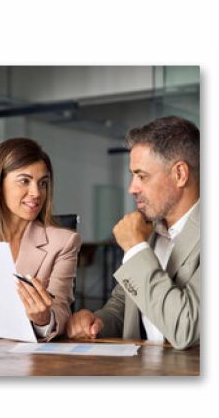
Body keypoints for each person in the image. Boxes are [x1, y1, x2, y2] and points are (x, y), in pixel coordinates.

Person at [66, 116, 200, 350]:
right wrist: (98, 322)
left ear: (180, 174)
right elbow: (123, 305)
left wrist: (136, 248)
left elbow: (185, 327)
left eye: (142, 176)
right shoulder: (150, 230)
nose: (132, 188)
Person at [0, 137, 81, 341]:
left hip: (25, 355)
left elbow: (61, 311)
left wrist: (42, 319)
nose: (36, 193)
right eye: (24, 181)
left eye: (43, 183)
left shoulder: (63, 242)